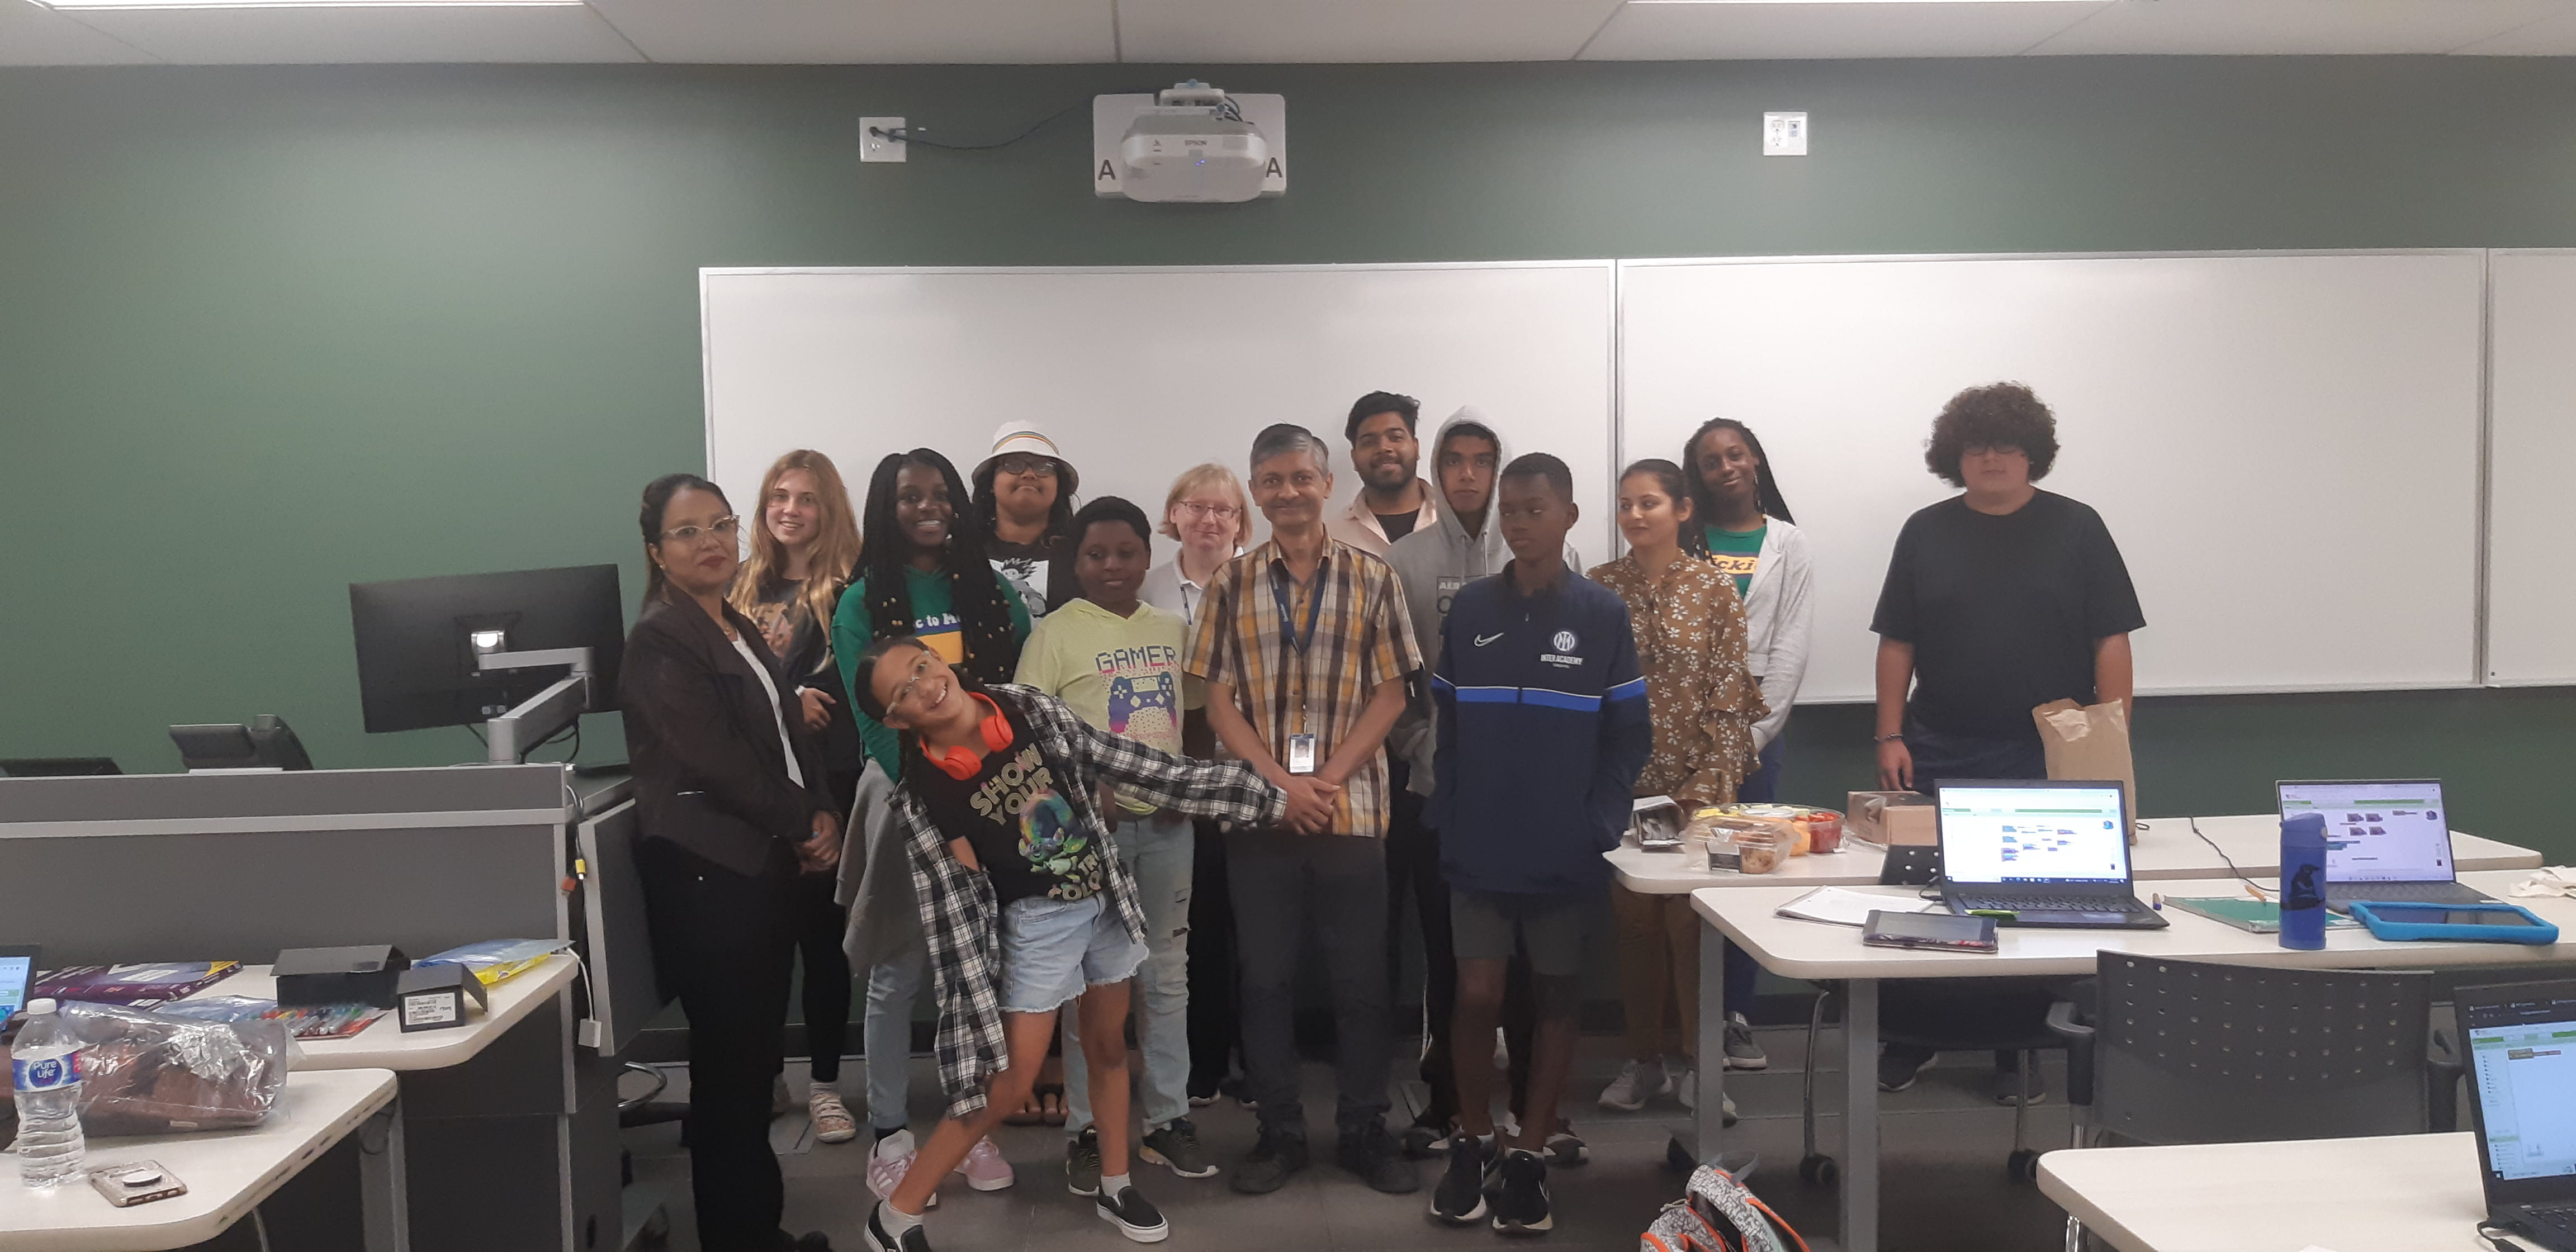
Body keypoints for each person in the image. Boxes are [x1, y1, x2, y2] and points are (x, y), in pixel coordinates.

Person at [851, 636, 1291, 1252]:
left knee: (1109, 1044)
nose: (925, 683)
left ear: (940, 658)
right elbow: (959, 907)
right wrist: (975, 997)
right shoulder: (924, 794)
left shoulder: (1030, 709)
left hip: (1102, 899)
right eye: (904, 688)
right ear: (897, 717)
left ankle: (1115, 1184)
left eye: (922, 664)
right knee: (1006, 1081)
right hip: (1036, 926)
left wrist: (1251, 792)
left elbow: (1136, 764)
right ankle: (895, 1214)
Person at [1868, 381, 2144, 1101]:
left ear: (2033, 454)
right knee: (1931, 899)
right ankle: (1911, 1036)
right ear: (1955, 455)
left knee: (2030, 904)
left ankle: (2015, 1048)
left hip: (2045, 754)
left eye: (2007, 445)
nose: (1991, 457)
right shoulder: (1925, 531)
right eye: (1977, 446)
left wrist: (2107, 741)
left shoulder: (2078, 527)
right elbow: (1898, 641)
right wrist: (1890, 731)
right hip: (1942, 746)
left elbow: (2109, 639)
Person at [1186, 422, 1424, 1196]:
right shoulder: (1231, 583)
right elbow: (1216, 704)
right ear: (1257, 494)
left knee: (1361, 983)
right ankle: (1279, 1133)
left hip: (1352, 814)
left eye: (1301, 478)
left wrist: (1322, 780)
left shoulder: (1373, 576)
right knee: (1265, 982)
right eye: (1273, 481)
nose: (1288, 492)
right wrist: (1280, 786)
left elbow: (1393, 694)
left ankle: (1364, 1129)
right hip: (1261, 816)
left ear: (1327, 486)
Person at [1425, 453, 1650, 1235]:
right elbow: (1447, 729)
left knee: (1556, 995)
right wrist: (1450, 813)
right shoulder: (1473, 609)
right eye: (1509, 512)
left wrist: (1598, 822)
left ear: (1569, 517)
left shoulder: (1601, 615)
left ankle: (1527, 1155)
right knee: (1477, 995)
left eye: (1535, 510)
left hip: (1563, 848)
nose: (1519, 524)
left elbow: (1628, 738)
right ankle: (1473, 1140)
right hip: (1479, 842)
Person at [621, 473, 842, 1252]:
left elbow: (786, 735)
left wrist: (820, 814)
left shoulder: (737, 625)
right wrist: (804, 818)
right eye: (688, 532)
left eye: (719, 524)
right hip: (712, 880)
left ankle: (759, 1230)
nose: (711, 541)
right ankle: (739, 1239)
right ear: (657, 551)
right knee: (731, 1076)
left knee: (750, 1074)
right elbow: (714, 762)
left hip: (759, 871)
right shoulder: (661, 637)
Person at [831, 448, 1033, 1199]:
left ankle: (970, 1122)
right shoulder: (863, 601)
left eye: (941, 493)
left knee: (975, 969)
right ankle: (889, 1132)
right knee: (899, 971)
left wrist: (988, 789)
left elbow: (1015, 692)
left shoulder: (990, 592)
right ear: (886, 507)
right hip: (906, 802)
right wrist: (938, 799)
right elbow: (874, 724)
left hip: (991, 796)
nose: (929, 505)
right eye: (911, 495)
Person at [1015, 497, 1216, 1188]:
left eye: (1126, 552)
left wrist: (1181, 789)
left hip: (1164, 831)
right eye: (1096, 555)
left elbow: (1194, 719)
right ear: (1075, 562)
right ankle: (1088, 1130)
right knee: (1093, 981)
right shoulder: (1053, 633)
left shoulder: (1172, 627)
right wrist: (1081, 793)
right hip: (1085, 838)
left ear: (1145, 555)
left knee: (1165, 972)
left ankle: (1166, 1119)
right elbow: (1030, 736)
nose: (1111, 566)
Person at [1382, 410, 1560, 1158]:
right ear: (1437, 467)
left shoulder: (1552, 549)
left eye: (1481, 460)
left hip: (1528, 799)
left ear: (1498, 467)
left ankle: (1529, 1103)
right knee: (1450, 956)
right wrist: (1424, 747)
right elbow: (1390, 676)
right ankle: (1451, 1105)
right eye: (1453, 459)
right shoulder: (1407, 561)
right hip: (1440, 792)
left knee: (1525, 962)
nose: (1466, 473)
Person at [1588, 459, 1768, 1125]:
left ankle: (1701, 1065)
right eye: (1625, 504)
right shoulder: (1600, 589)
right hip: (1622, 793)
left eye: (1650, 503)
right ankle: (1645, 1063)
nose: (1635, 516)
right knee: (1634, 926)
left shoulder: (1716, 590)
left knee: (1690, 927)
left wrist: (1701, 790)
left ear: (1682, 510)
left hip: (1695, 796)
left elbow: (1729, 698)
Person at [730, 448, 869, 1146]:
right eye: (778, 495)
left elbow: (868, 685)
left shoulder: (852, 586)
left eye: (806, 498)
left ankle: (824, 1085)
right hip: (753, 793)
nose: (790, 508)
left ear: (829, 508)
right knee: (758, 942)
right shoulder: (736, 587)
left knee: (823, 942)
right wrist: (787, 700)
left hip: (827, 786)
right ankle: (765, 1075)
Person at [1680, 417, 1815, 1076]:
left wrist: (1747, 740)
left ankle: (1735, 1015)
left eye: (1736, 454)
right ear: (1696, 475)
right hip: (1681, 726)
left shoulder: (1789, 545)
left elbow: (1790, 648)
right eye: (1711, 461)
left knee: (1744, 875)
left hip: (1758, 729)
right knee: (1684, 875)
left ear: (1756, 459)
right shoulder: (1681, 537)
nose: (1726, 467)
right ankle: (1682, 1027)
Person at [1138, 464, 1256, 1108]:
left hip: (1253, 768)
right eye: (1197, 506)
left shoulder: (1263, 582)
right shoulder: (1148, 589)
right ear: (1174, 513)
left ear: (1242, 521)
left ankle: (1256, 1056)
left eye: (1226, 510)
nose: (1212, 520)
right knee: (1196, 926)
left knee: (1254, 926)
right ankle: (1203, 1060)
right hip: (1181, 773)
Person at [971, 420, 1079, 616]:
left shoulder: (1082, 553)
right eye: (1013, 465)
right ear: (991, 483)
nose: (1029, 474)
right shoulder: (963, 550)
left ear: (1059, 486)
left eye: (1044, 467)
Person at [1328, 391, 1438, 557]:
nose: (1383, 448)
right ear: (1354, 457)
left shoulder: (1450, 519)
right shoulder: (1334, 537)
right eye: (1369, 442)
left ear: (1416, 447)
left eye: (1395, 437)